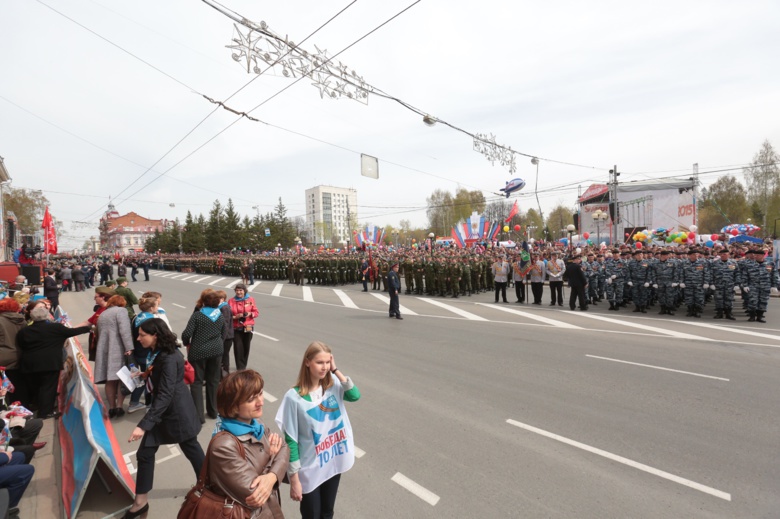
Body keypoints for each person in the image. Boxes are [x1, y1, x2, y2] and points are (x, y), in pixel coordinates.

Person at [126, 319, 205, 519]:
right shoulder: (158, 353)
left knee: (191, 448)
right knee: (145, 454)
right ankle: (140, 502)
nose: (138, 338)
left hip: (175, 413)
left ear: (156, 336)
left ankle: (207, 487)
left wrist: (143, 425)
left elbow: (166, 393)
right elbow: (161, 381)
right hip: (164, 413)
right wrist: (146, 375)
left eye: (142, 334)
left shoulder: (169, 357)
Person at [275, 341, 360, 519]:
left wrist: (335, 370)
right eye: (319, 362)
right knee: (312, 515)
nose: (324, 367)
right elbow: (292, 440)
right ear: (307, 362)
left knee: (327, 512)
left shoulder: (333, 385)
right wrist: (294, 479)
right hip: (310, 469)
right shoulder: (294, 398)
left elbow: (354, 395)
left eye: (327, 362)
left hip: (332, 462)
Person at [205, 370, 288, 518]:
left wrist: (271, 477)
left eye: (261, 394)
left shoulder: (256, 425)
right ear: (233, 406)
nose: (261, 402)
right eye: (251, 399)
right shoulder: (223, 446)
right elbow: (255, 492)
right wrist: (273, 459)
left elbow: (284, 447)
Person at [15, 306, 90, 418]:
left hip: (29, 363)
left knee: (35, 386)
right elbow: (73, 331)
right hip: (49, 363)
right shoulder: (56, 328)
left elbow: (20, 344)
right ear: (46, 316)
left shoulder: (24, 331)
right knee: (48, 387)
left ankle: (37, 406)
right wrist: (89, 328)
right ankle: (45, 412)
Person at [182, 289, 224, 423]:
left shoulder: (198, 316)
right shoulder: (220, 315)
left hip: (198, 352)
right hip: (216, 351)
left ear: (203, 302)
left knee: (197, 382)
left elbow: (187, 334)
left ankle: (199, 415)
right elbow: (224, 332)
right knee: (213, 381)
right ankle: (213, 411)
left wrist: (186, 343)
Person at [94, 295, 135, 418]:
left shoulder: (103, 314)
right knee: (121, 379)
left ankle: (111, 407)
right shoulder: (121, 311)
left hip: (104, 348)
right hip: (118, 348)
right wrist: (129, 347)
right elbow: (125, 331)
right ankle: (119, 406)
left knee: (110, 380)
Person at [0, 300, 27, 405]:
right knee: (19, 384)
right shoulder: (22, 321)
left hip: (3, 357)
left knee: (3, 386)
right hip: (20, 355)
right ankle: (21, 406)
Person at [228, 284, 258, 371]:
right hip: (236, 328)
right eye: (237, 290)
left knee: (246, 347)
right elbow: (228, 315)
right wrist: (235, 317)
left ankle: (243, 366)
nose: (239, 292)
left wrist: (250, 314)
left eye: (240, 290)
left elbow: (256, 312)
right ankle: (240, 368)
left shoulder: (250, 299)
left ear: (244, 291)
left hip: (248, 326)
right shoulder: (231, 301)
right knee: (238, 348)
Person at [215, 290, 234, 378]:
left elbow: (225, 324)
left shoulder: (224, 308)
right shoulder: (220, 307)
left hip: (226, 337)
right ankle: (220, 375)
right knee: (221, 356)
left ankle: (225, 376)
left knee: (224, 356)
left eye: (217, 298)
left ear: (222, 299)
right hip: (223, 336)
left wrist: (222, 338)